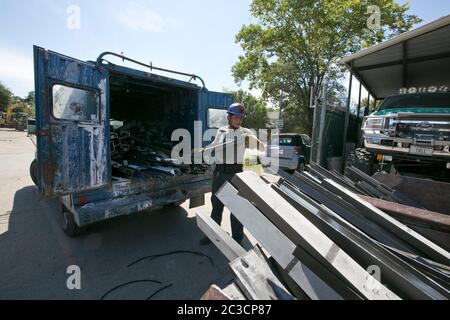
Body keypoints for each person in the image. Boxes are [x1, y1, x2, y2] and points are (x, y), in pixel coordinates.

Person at [199, 103, 265, 246]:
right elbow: (214, 146)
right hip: (220, 173)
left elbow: (262, 148)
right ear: (229, 117)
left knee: (237, 207)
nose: (238, 120)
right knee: (216, 205)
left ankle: (237, 238)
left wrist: (253, 141)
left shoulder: (246, 133)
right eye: (236, 117)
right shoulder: (221, 131)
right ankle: (211, 235)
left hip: (236, 173)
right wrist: (204, 152)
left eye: (241, 118)